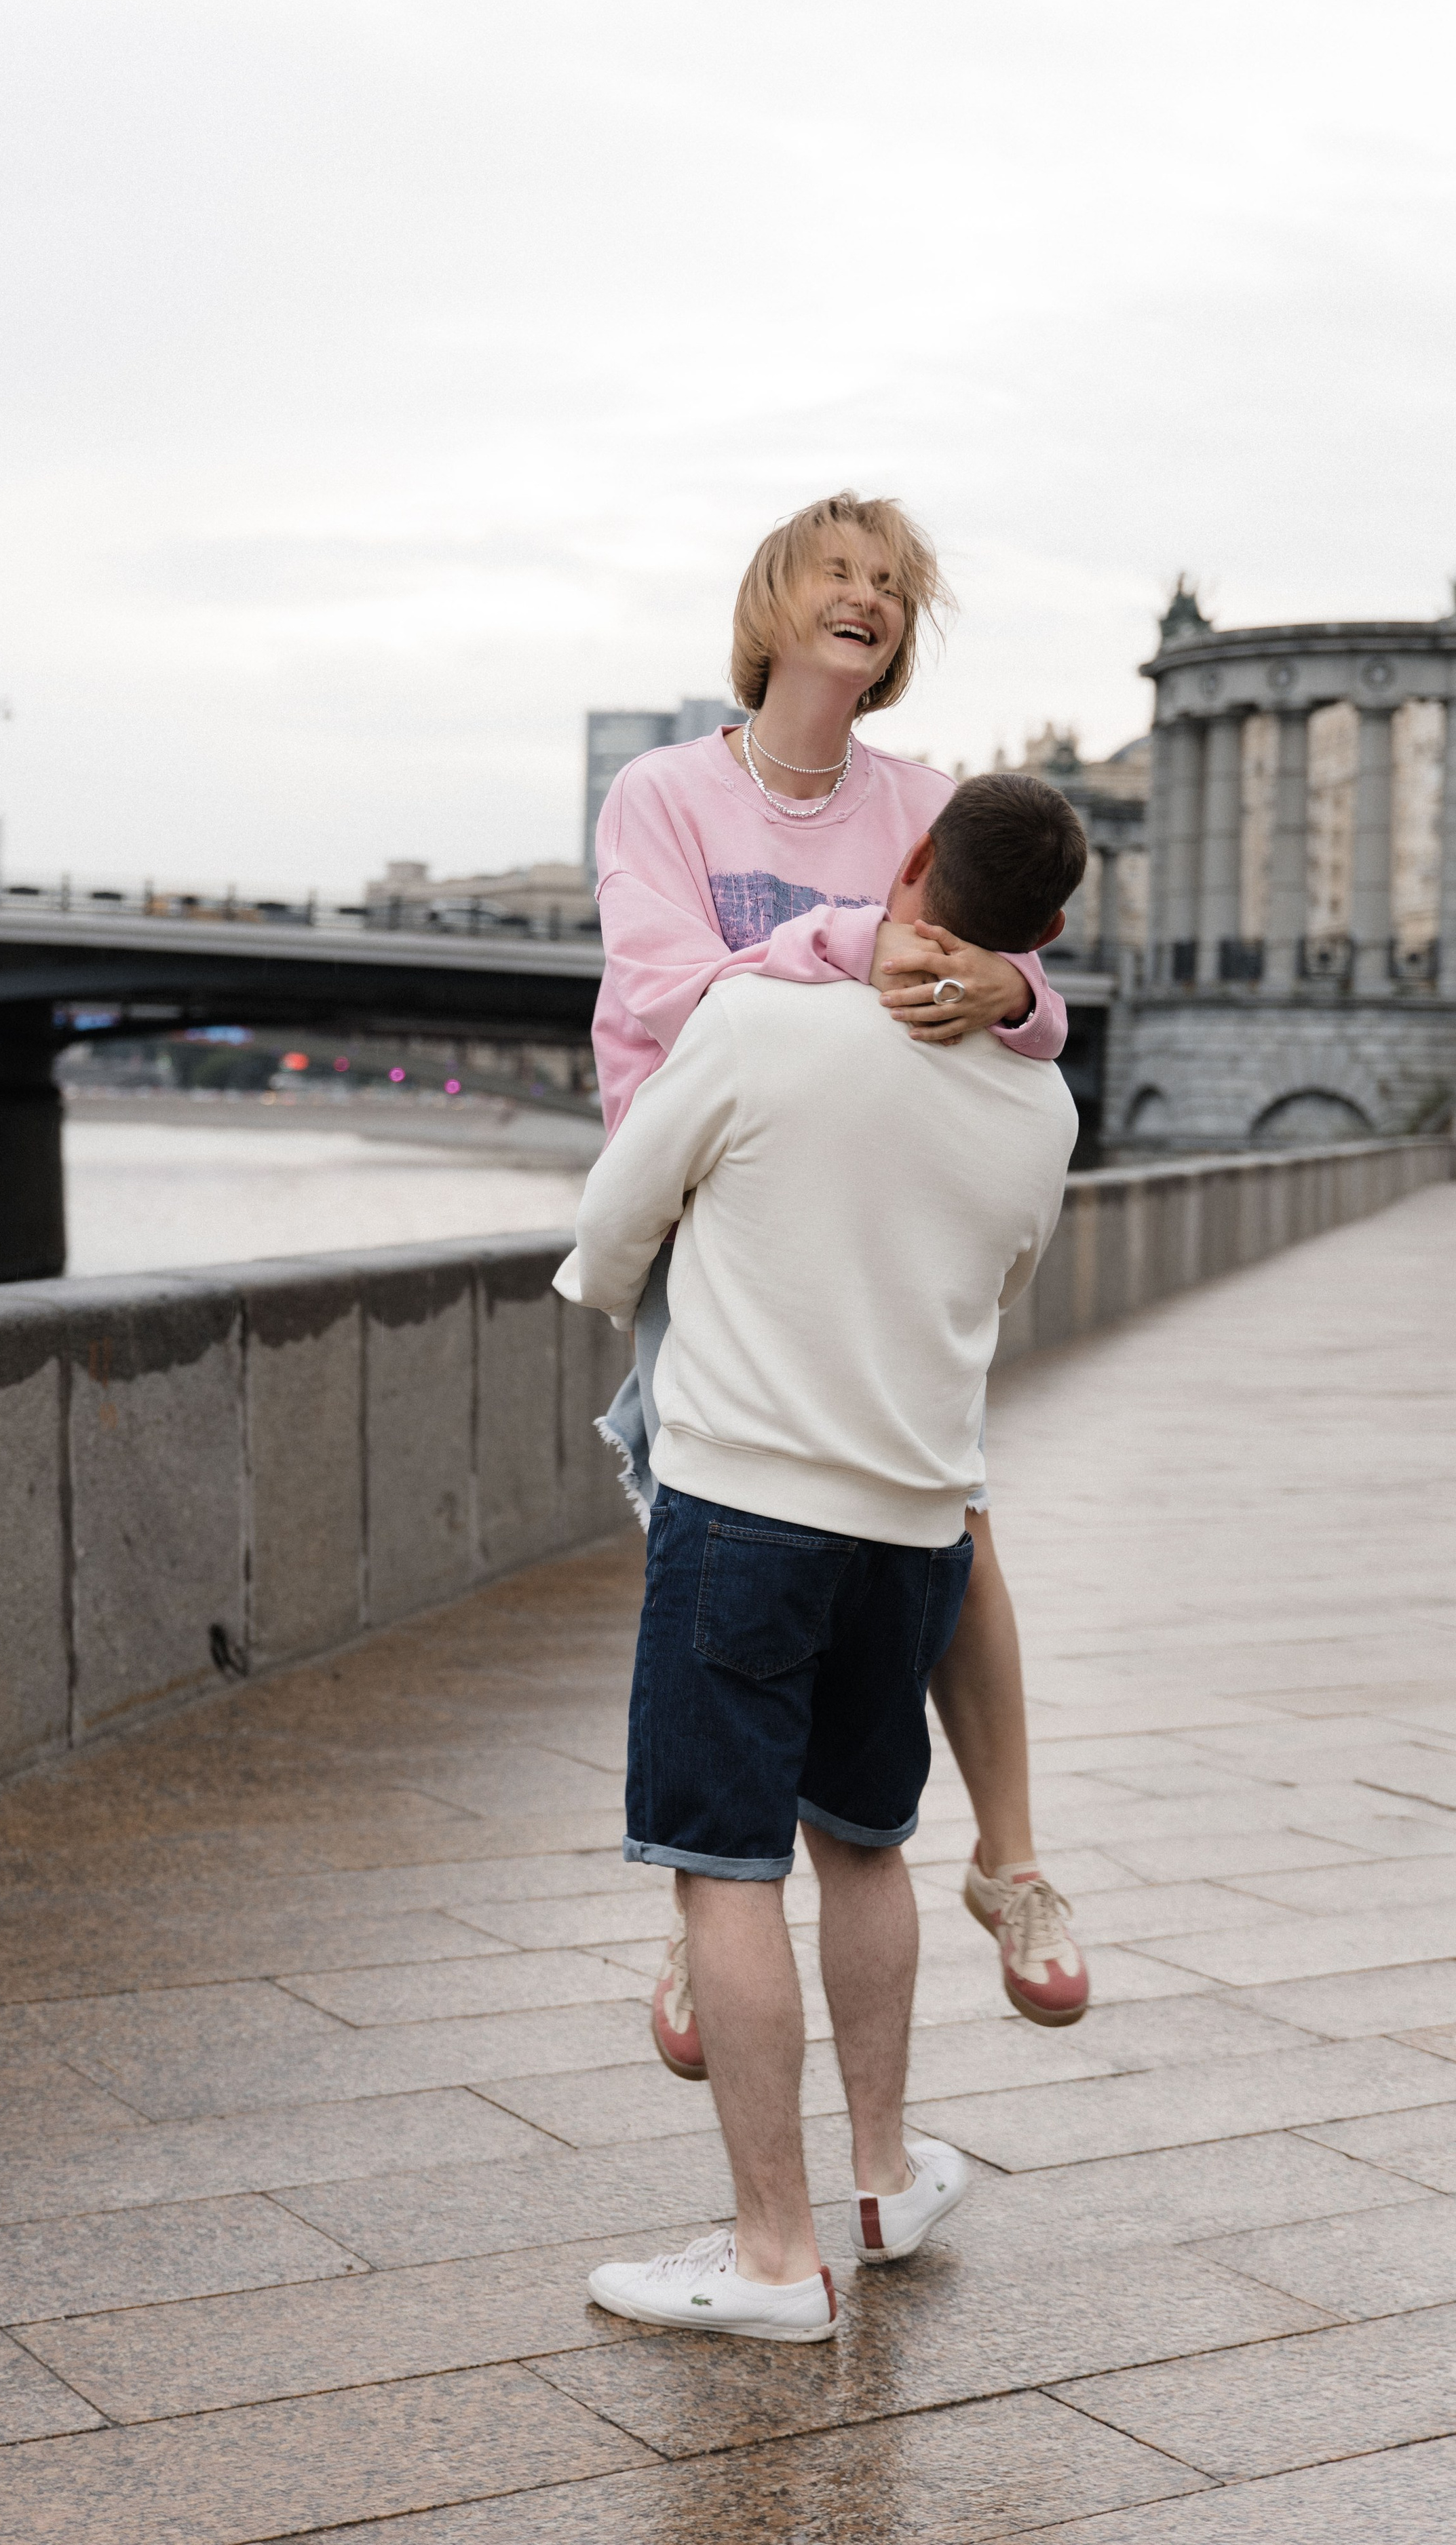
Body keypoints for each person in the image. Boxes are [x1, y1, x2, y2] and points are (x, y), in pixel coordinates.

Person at [554, 772, 1084, 2339]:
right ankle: (879, 2176)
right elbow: (997, 1284)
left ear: (907, 867)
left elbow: (608, 1237)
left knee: (723, 1872)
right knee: (866, 1845)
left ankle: (771, 2254)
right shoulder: (1043, 1103)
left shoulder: (759, 1028)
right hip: (915, 1529)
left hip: (743, 1517)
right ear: (1039, 938)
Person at [590, 492, 1087, 2049]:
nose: (863, 597)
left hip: (869, 1220)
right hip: (710, 1218)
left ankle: (1010, 1866)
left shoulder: (926, 799)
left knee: (953, 1520)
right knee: (712, 1551)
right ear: (772, 601)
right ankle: (710, 1912)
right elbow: (663, 999)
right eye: (836, 573)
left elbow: (1030, 1015)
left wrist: (1003, 978)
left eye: (888, 585)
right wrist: (845, 946)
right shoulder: (663, 796)